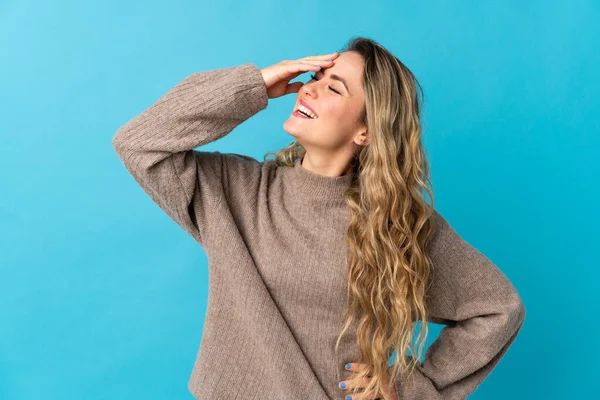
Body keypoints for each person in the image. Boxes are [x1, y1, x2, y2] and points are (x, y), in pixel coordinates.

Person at [112, 36, 526, 400]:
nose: (308, 91)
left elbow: (497, 309)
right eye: (313, 80)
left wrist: (409, 387)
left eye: (334, 88)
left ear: (365, 131)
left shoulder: (399, 225)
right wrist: (254, 84)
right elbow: (138, 142)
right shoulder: (235, 191)